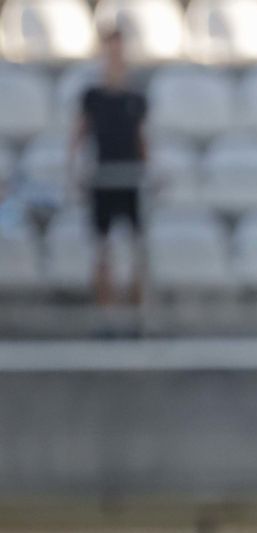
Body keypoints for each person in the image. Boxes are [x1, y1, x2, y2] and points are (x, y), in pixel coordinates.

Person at [68, 25, 147, 316]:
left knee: (137, 249)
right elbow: (79, 135)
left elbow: (141, 139)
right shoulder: (93, 96)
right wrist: (74, 170)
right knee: (102, 249)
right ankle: (105, 316)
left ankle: (137, 317)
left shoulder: (135, 97)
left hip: (130, 177)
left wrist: (149, 171)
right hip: (103, 176)